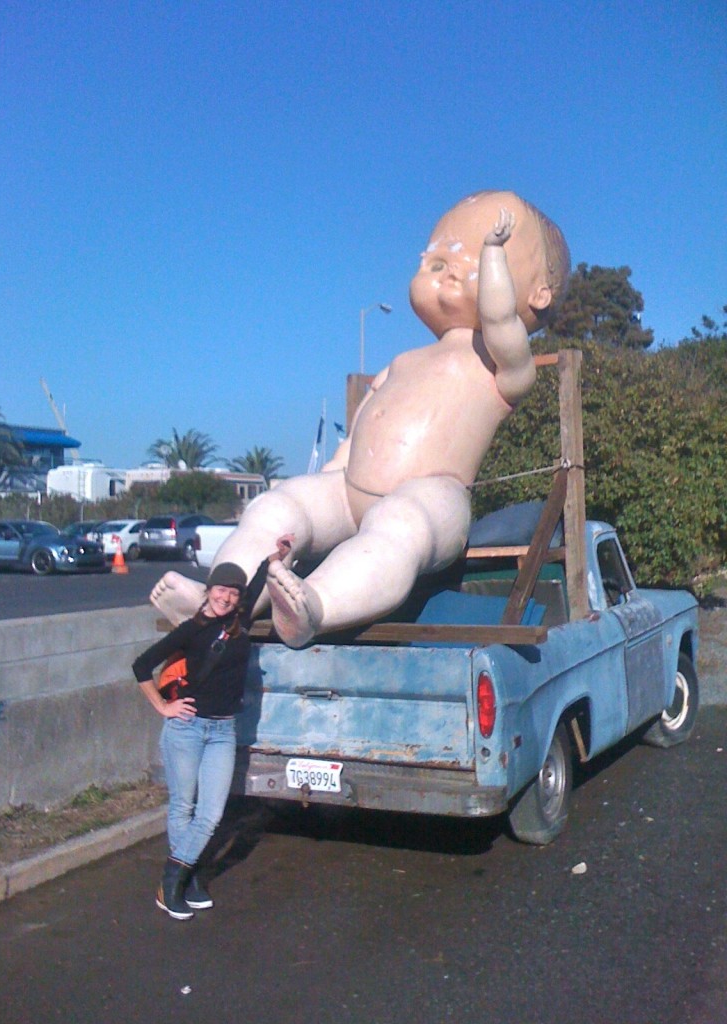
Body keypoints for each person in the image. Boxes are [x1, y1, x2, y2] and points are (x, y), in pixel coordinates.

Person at [151, 190, 570, 647]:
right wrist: (330, 476)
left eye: (474, 256)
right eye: (435, 259)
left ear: (538, 294)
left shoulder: (501, 366)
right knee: (276, 505)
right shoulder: (404, 361)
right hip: (349, 491)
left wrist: (491, 256)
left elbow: (500, 318)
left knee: (401, 526)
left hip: (431, 498)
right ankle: (222, 597)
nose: (446, 268)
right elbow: (363, 428)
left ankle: (316, 605)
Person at [133, 535, 292, 920]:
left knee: (211, 813)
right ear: (209, 592)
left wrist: (278, 556)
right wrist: (165, 707)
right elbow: (141, 666)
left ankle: (176, 875)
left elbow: (256, 579)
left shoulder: (240, 622)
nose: (227, 597)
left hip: (223, 730)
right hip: (186, 728)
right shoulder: (191, 630)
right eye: (221, 590)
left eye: (233, 593)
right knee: (184, 806)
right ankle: (182, 883)